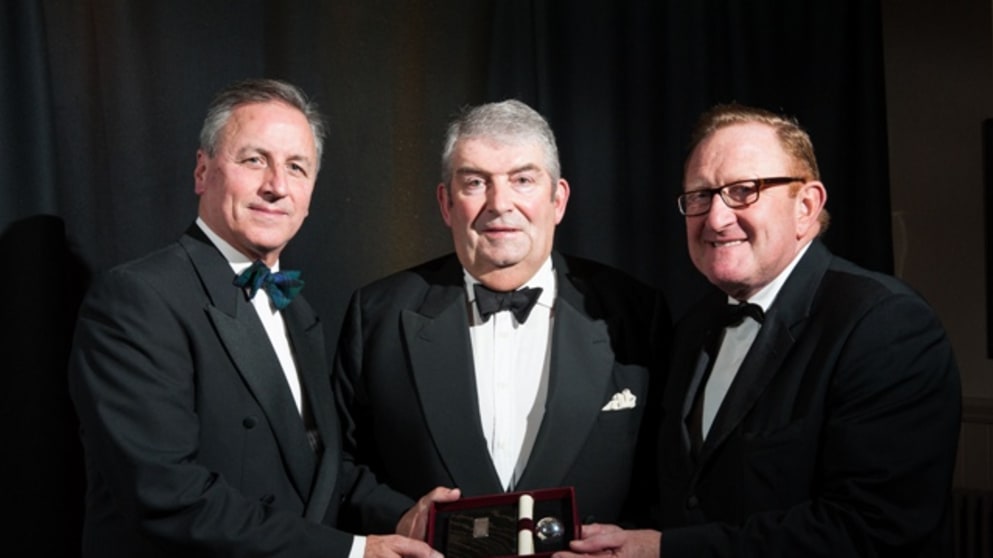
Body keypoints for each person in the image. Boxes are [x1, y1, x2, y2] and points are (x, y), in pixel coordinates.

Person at [558, 103, 962, 557]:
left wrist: (666, 551)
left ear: (806, 206)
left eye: (743, 191)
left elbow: (875, 529)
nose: (715, 218)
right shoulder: (693, 328)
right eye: (699, 195)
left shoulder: (885, 324)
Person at [68, 78, 441, 558]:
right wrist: (350, 552)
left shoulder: (299, 311)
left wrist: (403, 515)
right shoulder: (137, 298)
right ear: (202, 172)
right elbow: (166, 494)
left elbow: (315, 466)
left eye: (297, 168)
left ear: (310, 196)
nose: (276, 186)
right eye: (254, 160)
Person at [333, 99, 670, 536]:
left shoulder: (636, 313)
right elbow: (335, 464)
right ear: (446, 203)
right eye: (475, 182)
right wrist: (398, 517)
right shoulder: (377, 315)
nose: (500, 203)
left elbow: (671, 474)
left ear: (558, 199)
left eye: (523, 180)